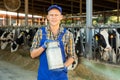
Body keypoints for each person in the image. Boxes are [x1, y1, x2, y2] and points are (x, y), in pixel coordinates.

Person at [30, 4, 77, 80]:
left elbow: (72, 56)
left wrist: (64, 66)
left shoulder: (68, 35)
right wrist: (43, 47)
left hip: (61, 76)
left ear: (61, 17)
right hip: (44, 76)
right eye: (51, 15)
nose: (54, 17)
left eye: (56, 15)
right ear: (48, 17)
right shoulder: (40, 32)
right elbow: (32, 54)